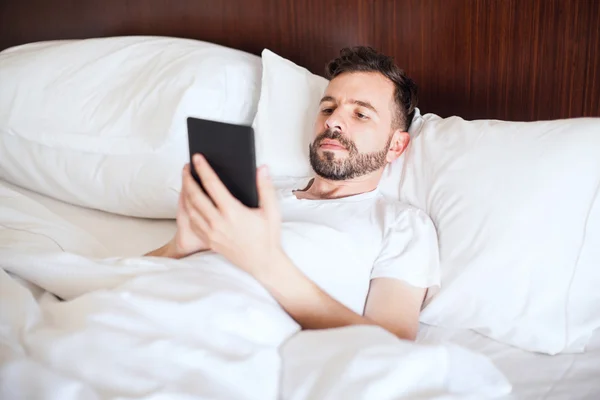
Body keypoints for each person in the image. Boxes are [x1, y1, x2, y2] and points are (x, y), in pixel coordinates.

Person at [146, 46, 440, 341]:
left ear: (396, 146)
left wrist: (265, 262)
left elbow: (392, 347)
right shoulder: (256, 193)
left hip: (220, 336)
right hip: (152, 309)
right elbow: (128, 277)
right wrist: (178, 248)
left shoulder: (402, 225)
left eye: (360, 114)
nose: (333, 121)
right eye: (327, 108)